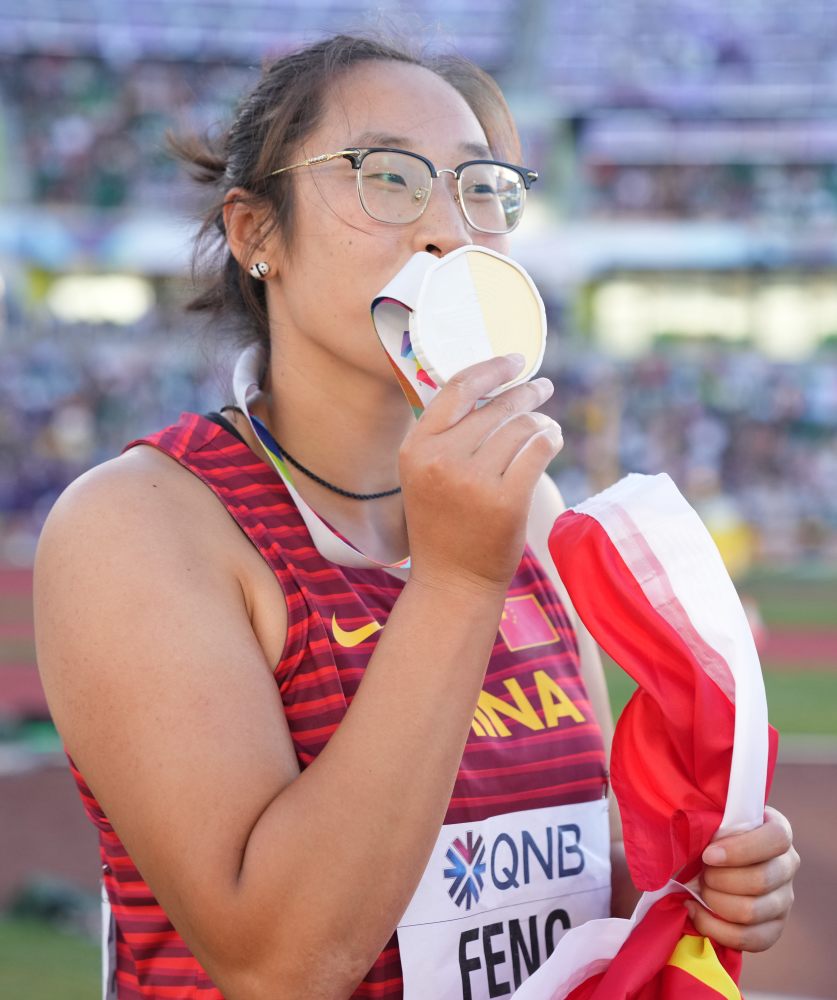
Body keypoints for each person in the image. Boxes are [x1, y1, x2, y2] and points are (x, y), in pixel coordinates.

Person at [34, 33, 799, 1000]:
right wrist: (458, 581)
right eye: (388, 177)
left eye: (482, 187)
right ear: (253, 232)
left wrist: (687, 880)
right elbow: (279, 963)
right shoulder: (141, 525)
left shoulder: (526, 508)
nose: (451, 227)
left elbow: (567, 859)